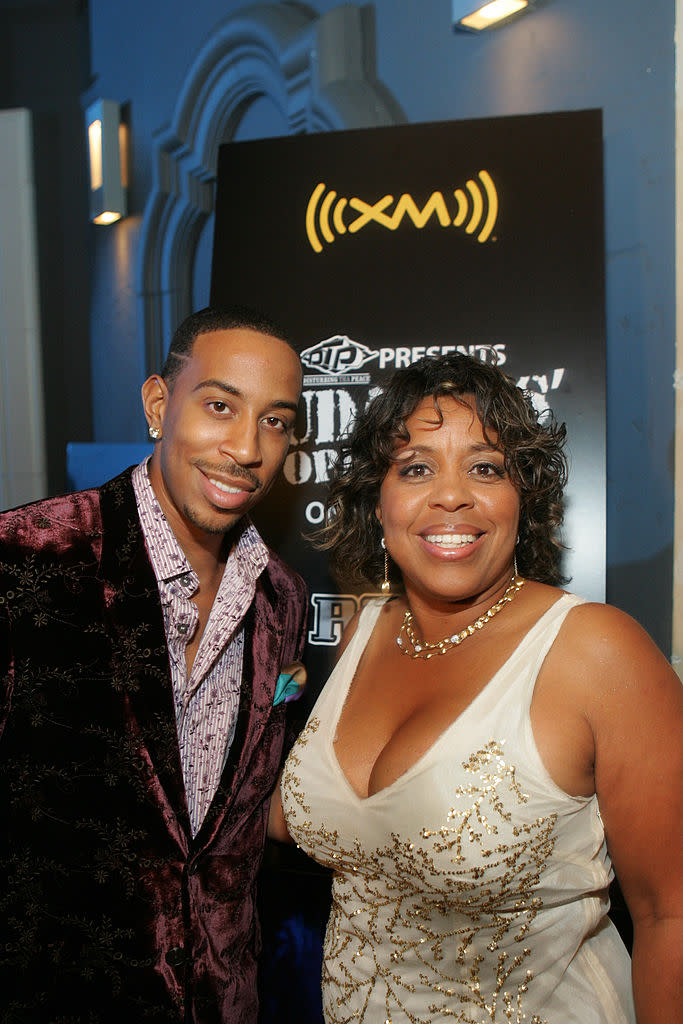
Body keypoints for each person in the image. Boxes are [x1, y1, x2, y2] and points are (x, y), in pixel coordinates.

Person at [269, 352, 683, 1023]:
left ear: (525, 495)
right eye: (415, 468)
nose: (451, 494)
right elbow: (309, 818)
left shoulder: (596, 653)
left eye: (485, 467)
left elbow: (671, 913)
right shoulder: (359, 635)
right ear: (379, 501)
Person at [0, 306, 308, 1023]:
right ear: (159, 404)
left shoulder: (281, 598)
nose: (245, 447)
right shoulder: (26, 561)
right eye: (220, 406)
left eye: (274, 420)